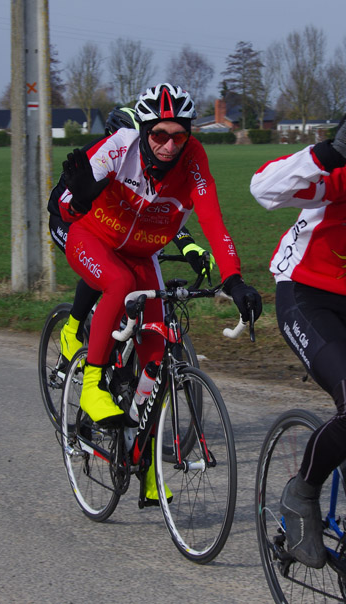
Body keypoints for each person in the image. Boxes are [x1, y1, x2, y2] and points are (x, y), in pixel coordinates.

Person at [59, 83, 262, 503]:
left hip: (142, 254)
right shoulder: (121, 146)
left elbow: (214, 223)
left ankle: (146, 465)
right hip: (92, 238)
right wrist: (78, 199)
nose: (169, 146)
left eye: (179, 135)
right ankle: (93, 385)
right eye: (159, 135)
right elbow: (62, 206)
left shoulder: (194, 160)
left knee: (156, 361)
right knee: (117, 283)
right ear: (144, 131)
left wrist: (235, 280)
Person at [250, 117, 346, 568]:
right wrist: (328, 153)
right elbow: (264, 189)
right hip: (308, 294)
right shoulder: (338, 175)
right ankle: (301, 492)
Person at [48, 106, 215, 363]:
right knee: (105, 271)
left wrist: (188, 246)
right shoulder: (98, 155)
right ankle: (72, 328)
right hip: (70, 222)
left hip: (119, 227)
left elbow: (156, 215)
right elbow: (56, 203)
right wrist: (79, 202)